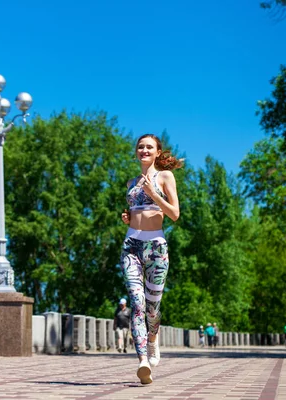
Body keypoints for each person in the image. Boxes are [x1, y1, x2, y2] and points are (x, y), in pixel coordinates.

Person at [119, 134, 182, 385]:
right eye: (140, 146)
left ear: (157, 152)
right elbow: (137, 212)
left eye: (149, 147)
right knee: (137, 303)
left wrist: (152, 193)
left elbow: (174, 214)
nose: (144, 150)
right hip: (131, 246)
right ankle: (143, 360)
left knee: (153, 309)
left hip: (156, 247)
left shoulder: (165, 177)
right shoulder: (130, 183)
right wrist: (129, 219)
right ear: (137, 152)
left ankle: (153, 342)